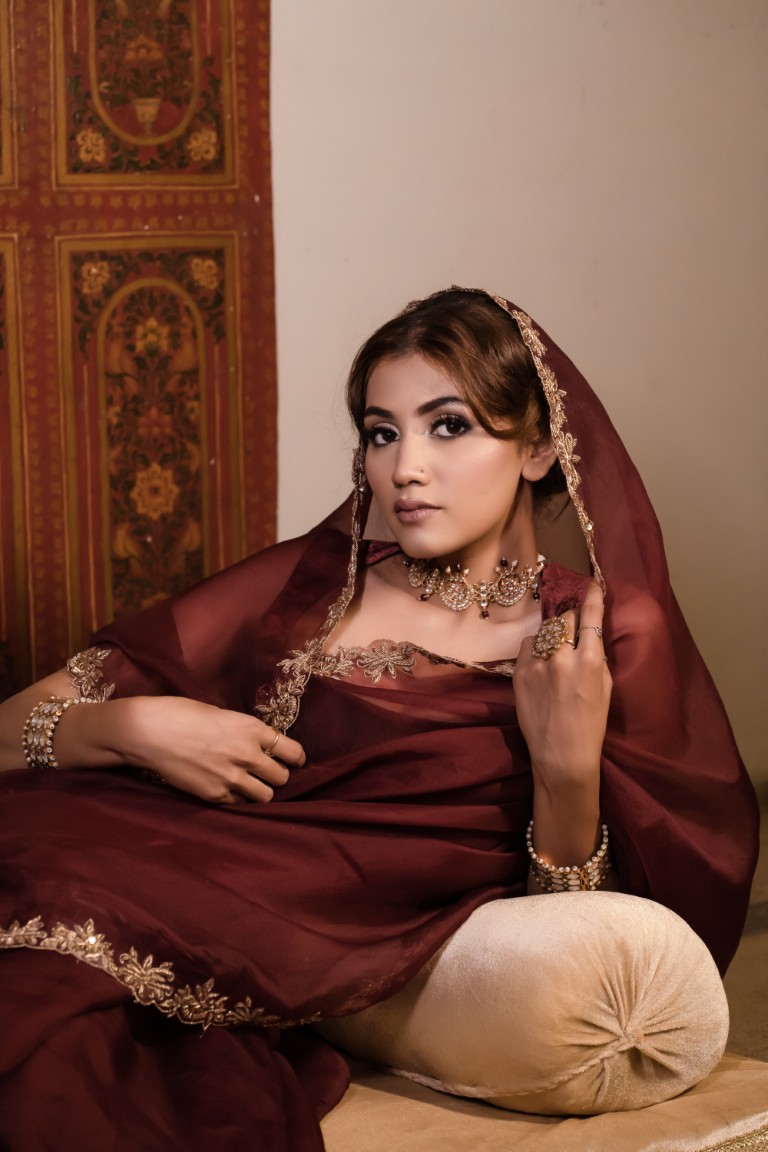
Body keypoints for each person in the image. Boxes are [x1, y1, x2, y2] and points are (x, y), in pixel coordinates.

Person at [0, 288, 758, 1150]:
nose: (406, 469)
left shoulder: (600, 636)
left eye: (449, 426)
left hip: (279, 931)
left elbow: (604, 925)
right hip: (152, 860)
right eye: (381, 433)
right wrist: (137, 728)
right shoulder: (313, 583)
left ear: (540, 445)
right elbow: (11, 725)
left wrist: (566, 773)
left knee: (54, 1048)